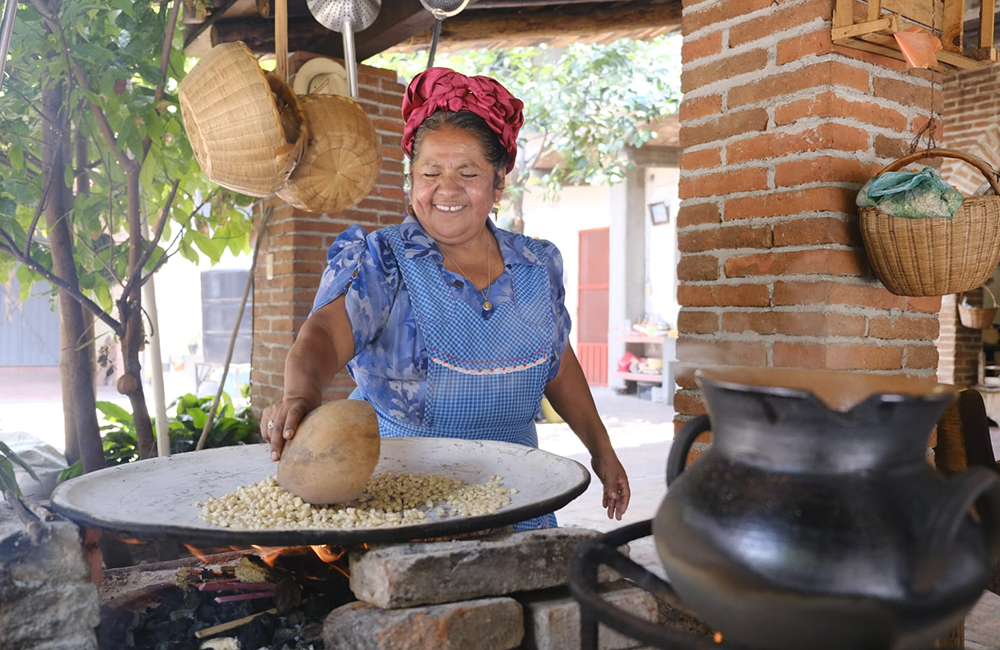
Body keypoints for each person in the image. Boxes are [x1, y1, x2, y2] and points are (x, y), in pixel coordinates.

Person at [261, 67, 630, 530]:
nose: (447, 189)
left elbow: (558, 364)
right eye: (430, 172)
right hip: (399, 504)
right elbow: (323, 336)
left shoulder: (537, 266)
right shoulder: (383, 260)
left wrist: (603, 450)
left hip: (516, 499)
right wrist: (299, 395)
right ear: (412, 180)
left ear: (499, 183)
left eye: (469, 173)